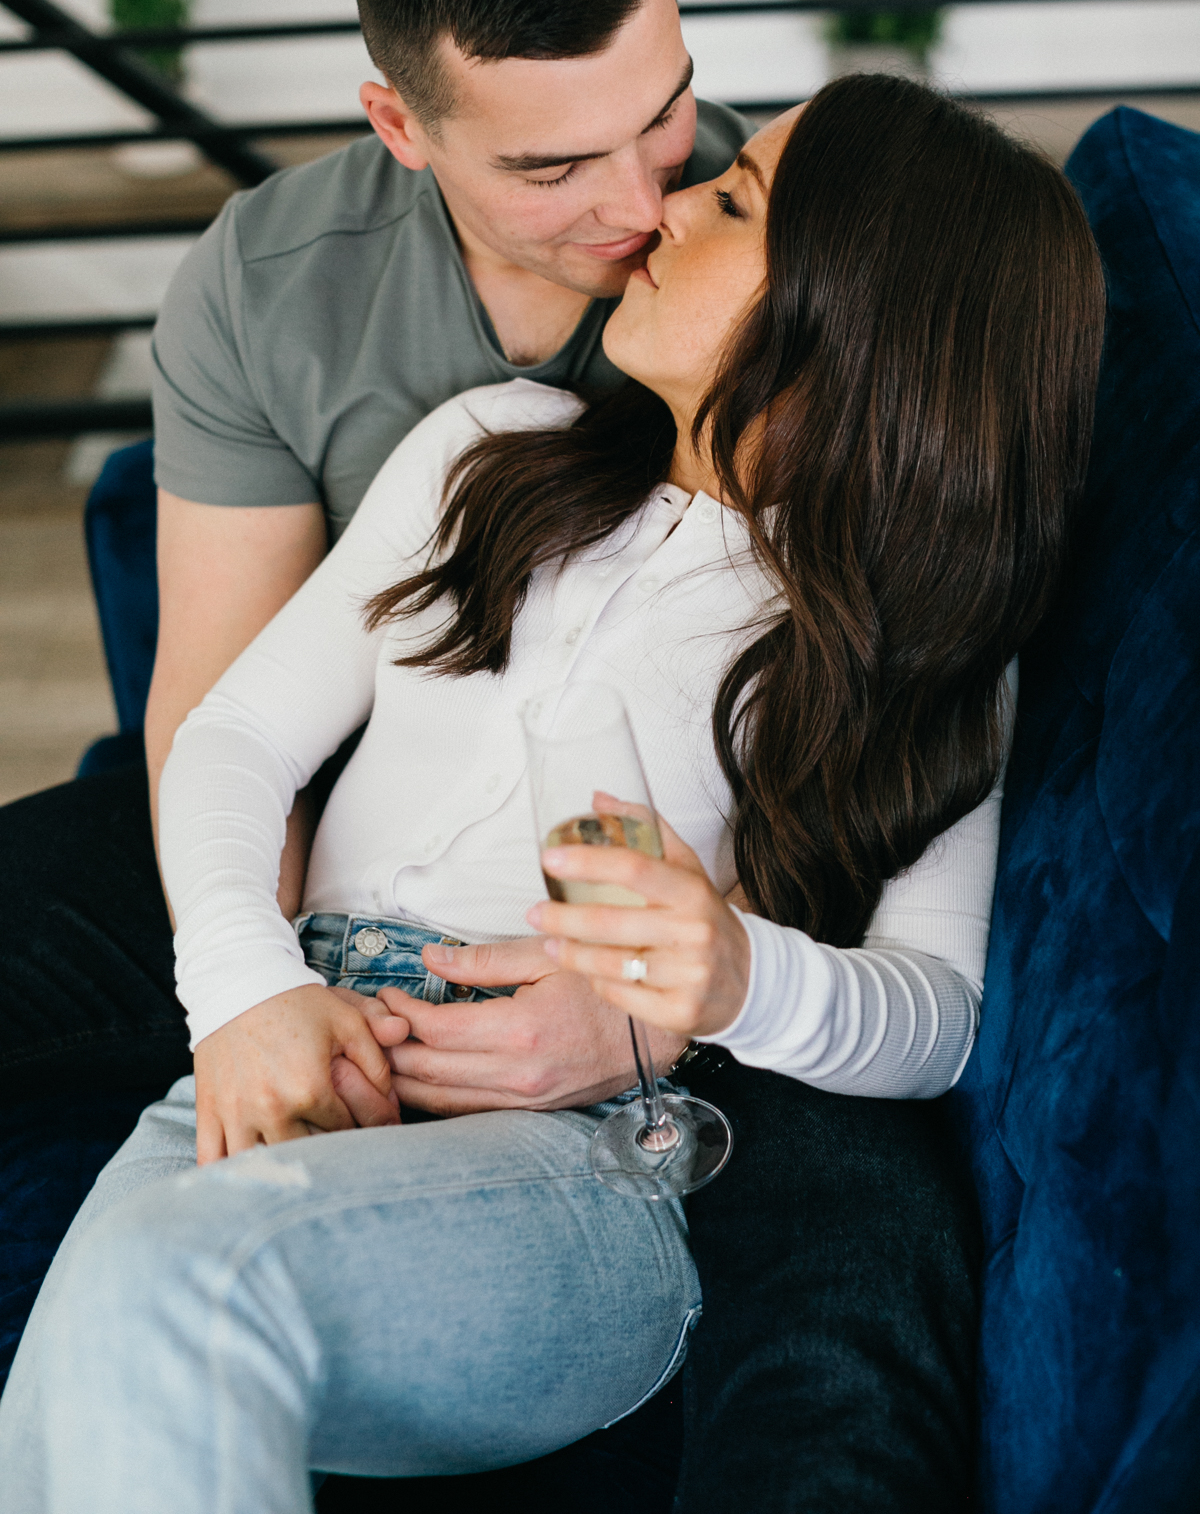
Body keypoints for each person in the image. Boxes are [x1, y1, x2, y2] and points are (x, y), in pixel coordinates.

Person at [0, 74, 1106, 1514]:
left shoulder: (917, 651)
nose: (661, 213)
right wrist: (244, 996)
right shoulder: (490, 450)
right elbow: (233, 740)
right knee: (56, 1420)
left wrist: (726, 978)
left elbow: (939, 1017)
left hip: (578, 1166)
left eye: (734, 202)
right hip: (290, 1048)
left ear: (856, 318)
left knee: (181, 1283)